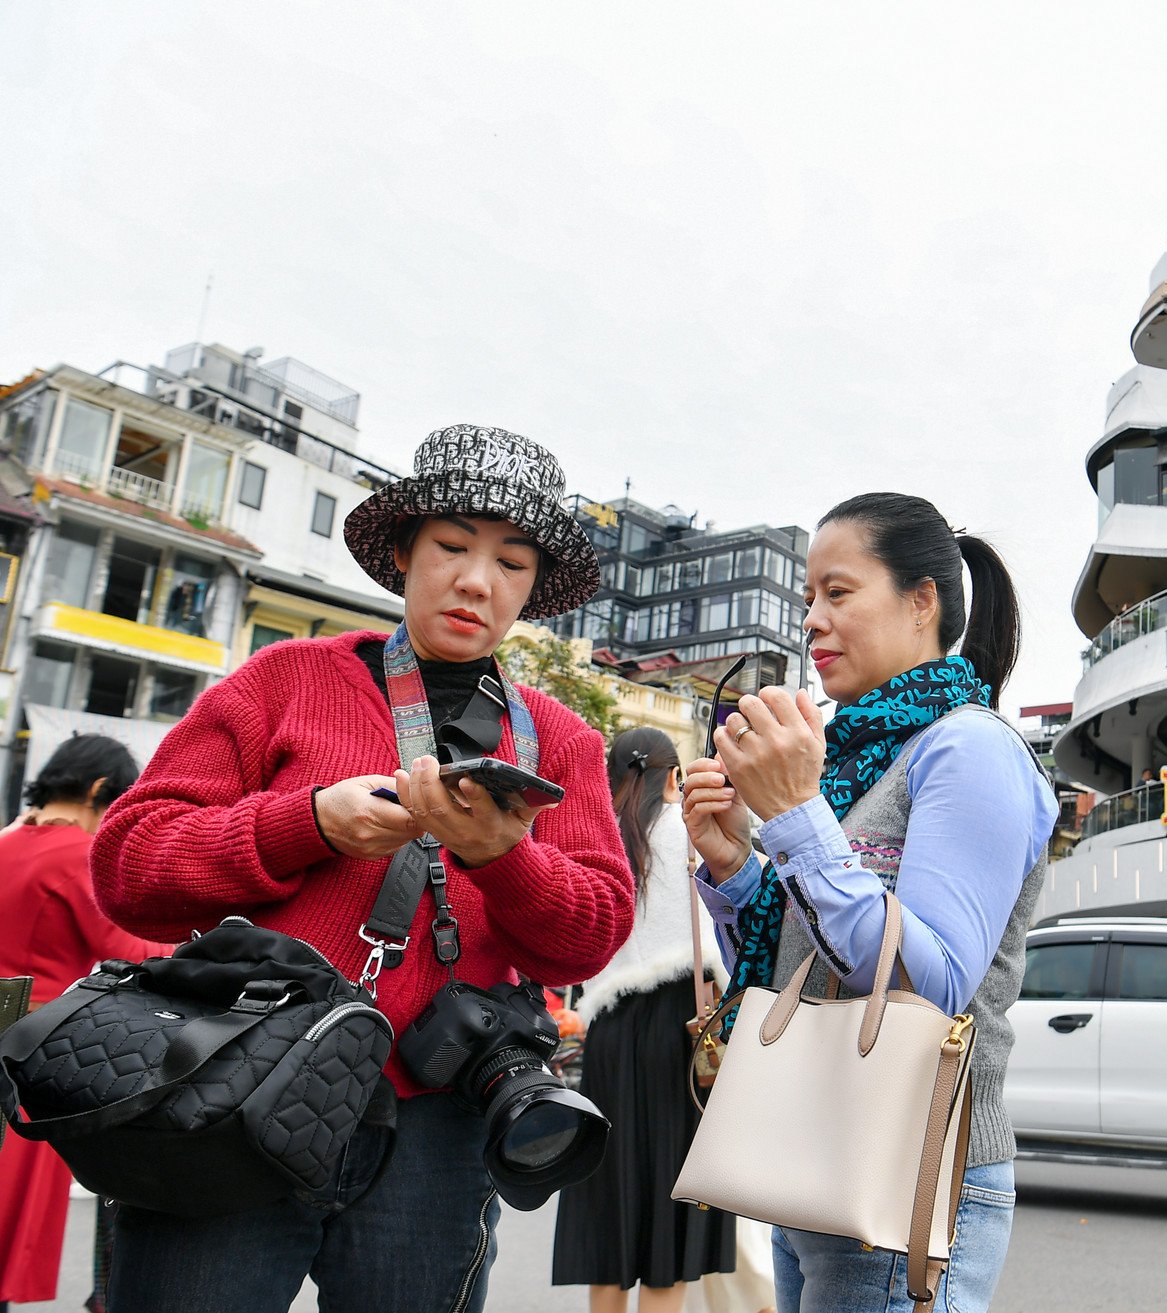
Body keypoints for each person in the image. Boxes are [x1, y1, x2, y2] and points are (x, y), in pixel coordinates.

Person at [90, 425, 634, 1312]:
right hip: (236, 1086)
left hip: (439, 1123)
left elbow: (592, 937)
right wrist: (305, 824)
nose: (476, 580)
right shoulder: (285, 679)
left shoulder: (564, 740)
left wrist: (507, 856)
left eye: (512, 563)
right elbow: (129, 864)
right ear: (402, 552)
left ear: (533, 591)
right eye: (453, 547)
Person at [683, 493, 1056, 1313]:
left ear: (922, 600)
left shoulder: (971, 746)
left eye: (838, 592)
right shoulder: (856, 754)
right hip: (818, 1154)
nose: (812, 619)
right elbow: (806, 959)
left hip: (907, 1166)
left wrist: (795, 815)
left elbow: (931, 985)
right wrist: (737, 865)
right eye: (807, 597)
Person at [554, 726, 774, 1313]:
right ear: (674, 776)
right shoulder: (691, 832)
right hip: (685, 1024)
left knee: (611, 1193)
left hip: (607, 1029)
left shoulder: (600, 836)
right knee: (673, 1205)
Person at [0, 737, 173, 1309]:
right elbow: (130, 947)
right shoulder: (75, 855)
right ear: (102, 792)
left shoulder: (6, 843)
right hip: (30, 1048)